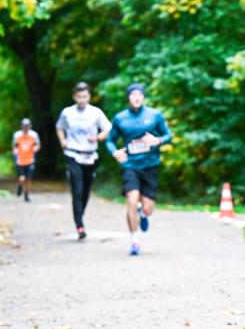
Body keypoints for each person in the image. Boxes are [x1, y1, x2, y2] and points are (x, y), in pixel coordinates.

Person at [105, 83, 173, 256]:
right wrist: (115, 152)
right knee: (132, 201)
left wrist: (157, 141)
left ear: (143, 97)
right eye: (133, 94)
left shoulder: (154, 115)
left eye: (139, 94)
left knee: (148, 207)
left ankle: (144, 214)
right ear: (128, 97)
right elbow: (110, 140)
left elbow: (168, 135)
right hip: (130, 166)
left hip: (150, 166)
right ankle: (134, 241)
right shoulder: (120, 118)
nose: (136, 97)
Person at [55, 81, 111, 240]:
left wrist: (98, 137)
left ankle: (80, 213)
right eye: (79, 97)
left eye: (85, 97)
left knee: (86, 191)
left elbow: (108, 128)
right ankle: (79, 225)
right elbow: (59, 127)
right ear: (74, 97)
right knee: (77, 190)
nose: (82, 100)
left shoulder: (96, 113)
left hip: (90, 155)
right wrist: (62, 141)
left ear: (89, 97)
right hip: (73, 154)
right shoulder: (67, 113)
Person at [12, 118, 40, 202]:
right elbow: (14, 146)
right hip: (20, 160)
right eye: (24, 126)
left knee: (28, 179)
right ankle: (20, 186)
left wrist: (35, 149)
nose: (25, 128)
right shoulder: (17, 135)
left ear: (30, 126)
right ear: (21, 126)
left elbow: (38, 145)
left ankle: (26, 195)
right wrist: (15, 153)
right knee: (22, 178)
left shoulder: (34, 135)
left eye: (27, 126)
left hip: (30, 160)